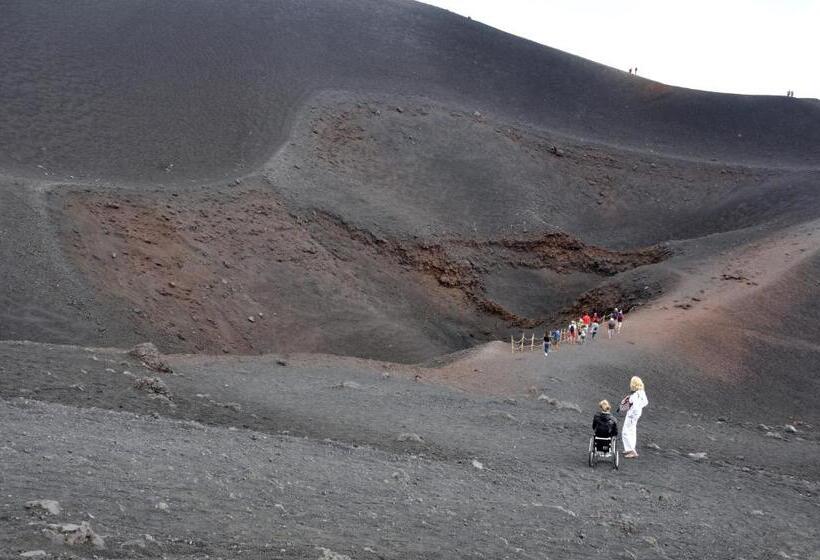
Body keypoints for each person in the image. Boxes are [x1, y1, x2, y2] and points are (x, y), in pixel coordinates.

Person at [620, 376, 648, 458]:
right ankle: (631, 448)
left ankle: (631, 450)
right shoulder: (642, 392)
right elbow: (646, 402)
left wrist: (632, 413)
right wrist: (639, 407)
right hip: (637, 414)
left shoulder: (635, 395)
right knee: (632, 431)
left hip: (632, 415)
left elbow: (634, 406)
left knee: (625, 432)